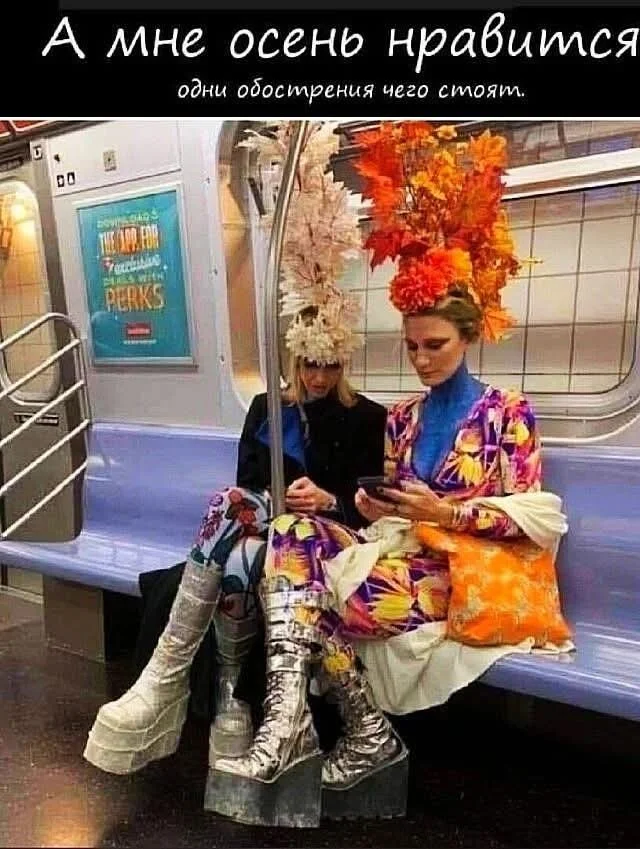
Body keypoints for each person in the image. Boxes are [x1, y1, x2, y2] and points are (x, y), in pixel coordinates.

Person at [207, 121, 572, 828]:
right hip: (401, 551)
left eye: (435, 345)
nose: (422, 360)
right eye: (411, 347)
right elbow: (392, 511)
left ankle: (345, 732)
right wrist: (375, 506)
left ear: (469, 337)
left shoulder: (508, 414)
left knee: (306, 596)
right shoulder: (402, 418)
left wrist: (446, 513)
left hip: (467, 568)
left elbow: (533, 520)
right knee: (291, 533)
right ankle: (299, 725)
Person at [83, 121, 387, 777]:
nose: (317, 379)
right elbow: (249, 482)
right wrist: (279, 497)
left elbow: (369, 505)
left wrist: (327, 498)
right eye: (308, 365)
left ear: (344, 363)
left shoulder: (368, 418)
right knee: (241, 538)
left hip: (331, 535)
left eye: (329, 366)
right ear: (293, 359)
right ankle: (220, 700)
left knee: (242, 546)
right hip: (268, 525)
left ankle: (190, 687)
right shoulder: (267, 409)